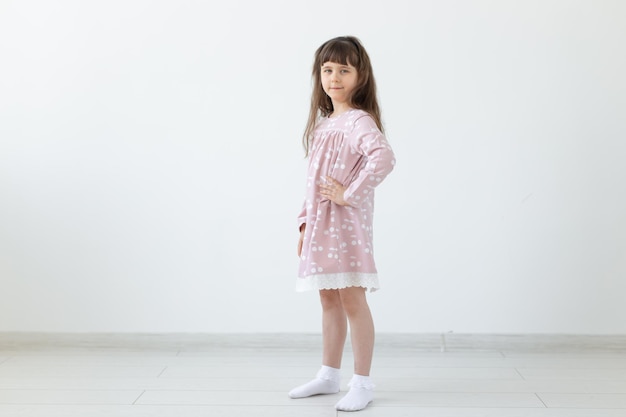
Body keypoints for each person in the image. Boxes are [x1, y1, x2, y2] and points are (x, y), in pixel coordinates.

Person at [289, 35, 395, 412]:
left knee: (352, 298)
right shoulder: (324, 125)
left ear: (359, 75)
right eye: (327, 70)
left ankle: (362, 382)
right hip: (321, 226)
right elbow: (312, 180)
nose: (334, 77)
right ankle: (328, 375)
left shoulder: (357, 121)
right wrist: (304, 223)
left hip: (345, 226)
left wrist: (348, 193)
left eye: (343, 70)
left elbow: (382, 157)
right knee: (328, 298)